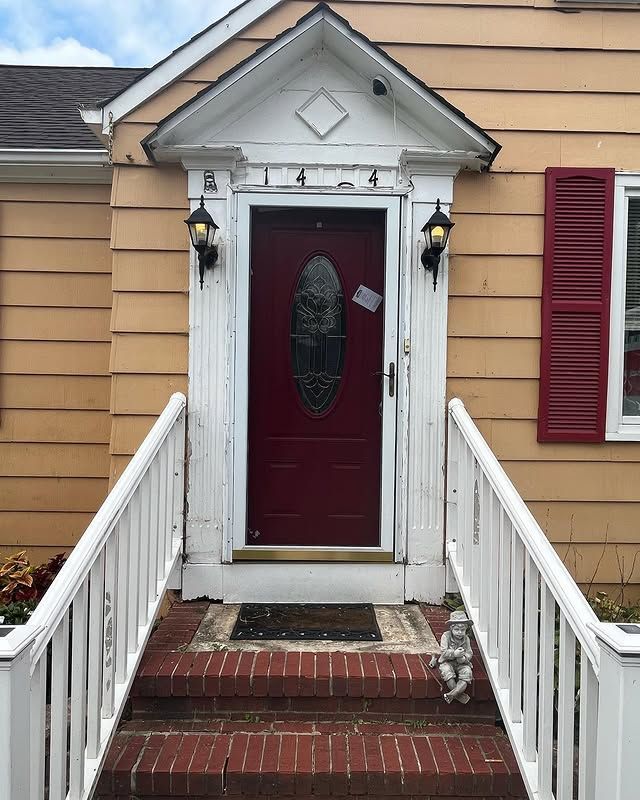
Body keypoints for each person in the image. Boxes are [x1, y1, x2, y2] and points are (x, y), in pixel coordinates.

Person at [431, 609, 473, 704]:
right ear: (451, 628)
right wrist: (454, 654)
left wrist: (464, 658)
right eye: (456, 629)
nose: (459, 632)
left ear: (466, 629)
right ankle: (458, 694)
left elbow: (469, 652)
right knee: (447, 672)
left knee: (467, 673)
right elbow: (444, 652)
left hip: (461, 663)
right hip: (447, 661)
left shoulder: (466, 639)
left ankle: (452, 694)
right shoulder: (445, 636)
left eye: (462, 630)